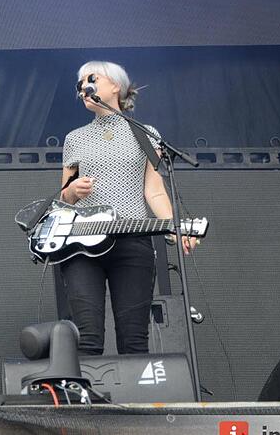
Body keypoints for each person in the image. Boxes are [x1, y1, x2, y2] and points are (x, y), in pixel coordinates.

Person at [58, 60, 198, 356]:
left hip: (132, 240)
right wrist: (71, 191)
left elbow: (154, 190)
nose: (83, 86)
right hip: (83, 243)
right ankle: (87, 403)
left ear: (115, 86)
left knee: (134, 339)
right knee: (88, 337)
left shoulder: (144, 133)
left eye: (91, 79)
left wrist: (176, 228)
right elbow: (64, 198)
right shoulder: (74, 139)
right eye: (79, 83)